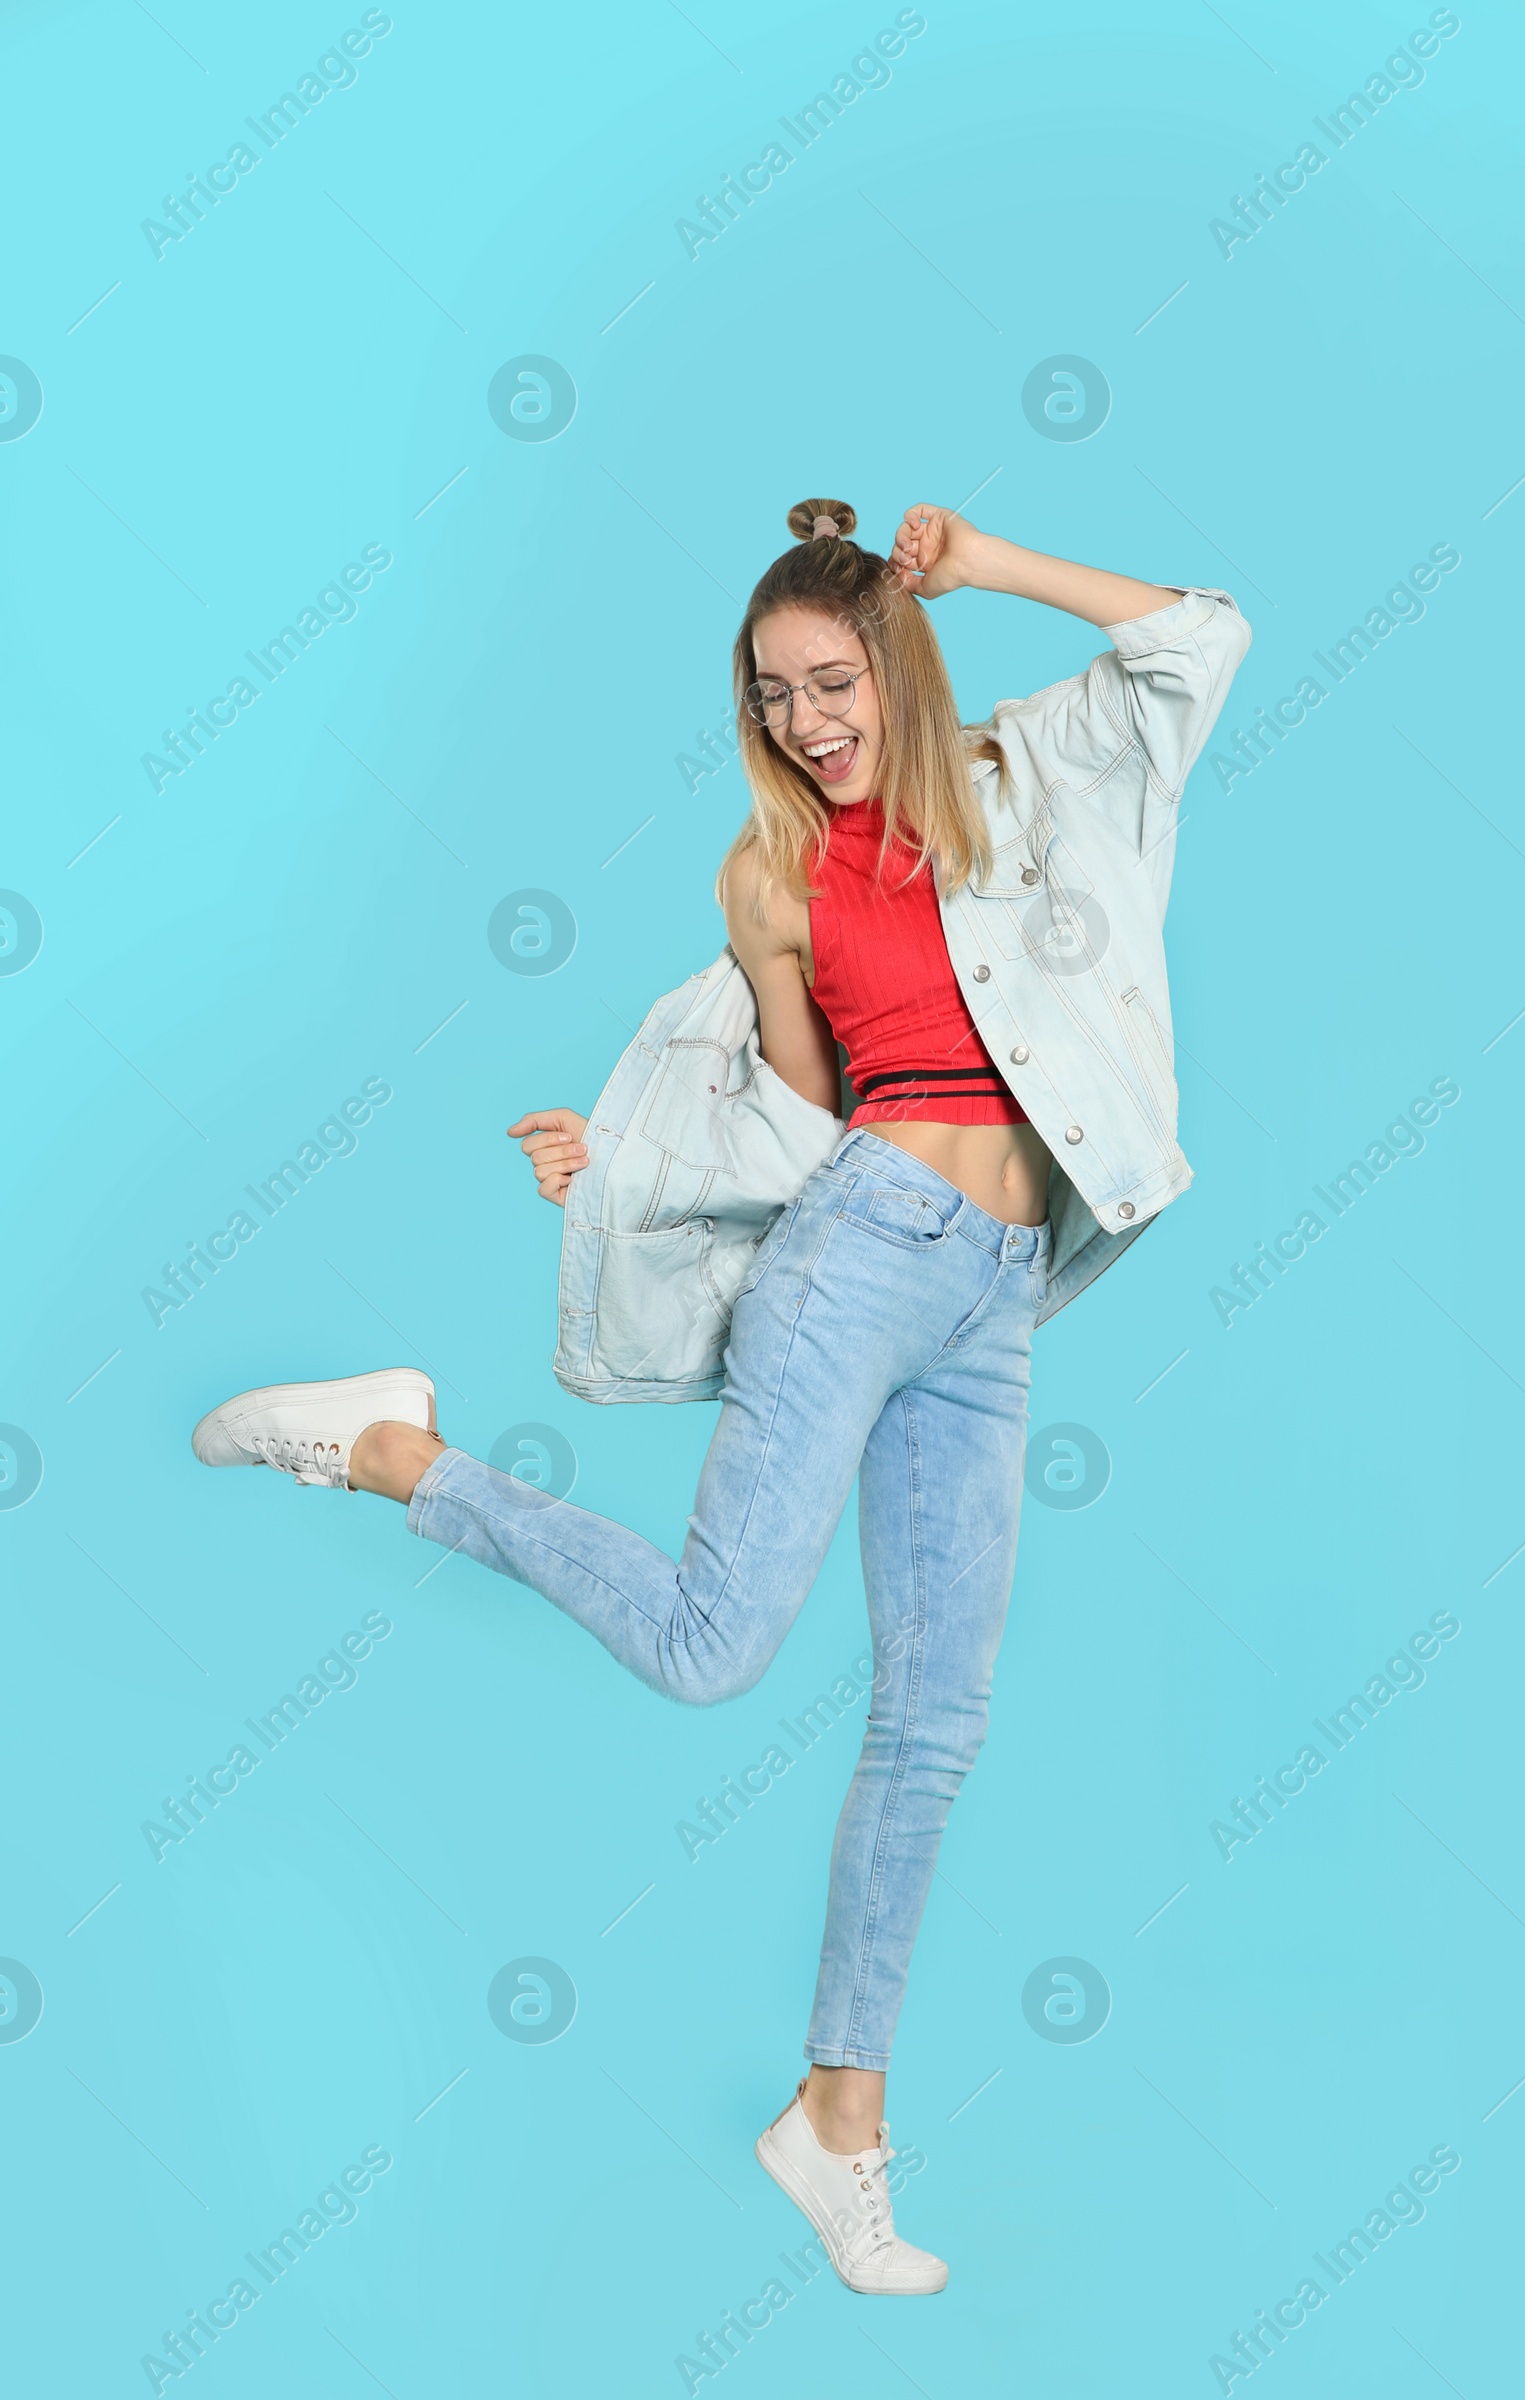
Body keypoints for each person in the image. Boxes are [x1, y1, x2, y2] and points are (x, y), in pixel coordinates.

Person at [192, 498, 1250, 2294]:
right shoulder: (769, 877)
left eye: (832, 681)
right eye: (771, 695)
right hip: (863, 1251)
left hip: (995, 1297)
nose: (805, 721)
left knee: (939, 1719)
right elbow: (795, 1117)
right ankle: (386, 1449)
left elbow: (1199, 637)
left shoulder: (1029, 772)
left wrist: (985, 564)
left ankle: (839, 2120)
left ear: (896, 663)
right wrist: (609, 1162)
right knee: (712, 1647)